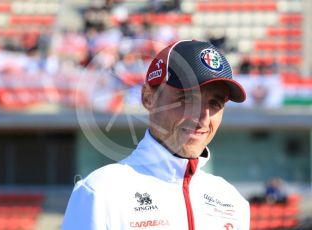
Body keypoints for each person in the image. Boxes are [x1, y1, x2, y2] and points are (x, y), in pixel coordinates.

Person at [62, 40, 250, 229]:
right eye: (187, 99)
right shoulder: (100, 192)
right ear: (148, 98)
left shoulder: (232, 201)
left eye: (215, 104)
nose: (202, 118)